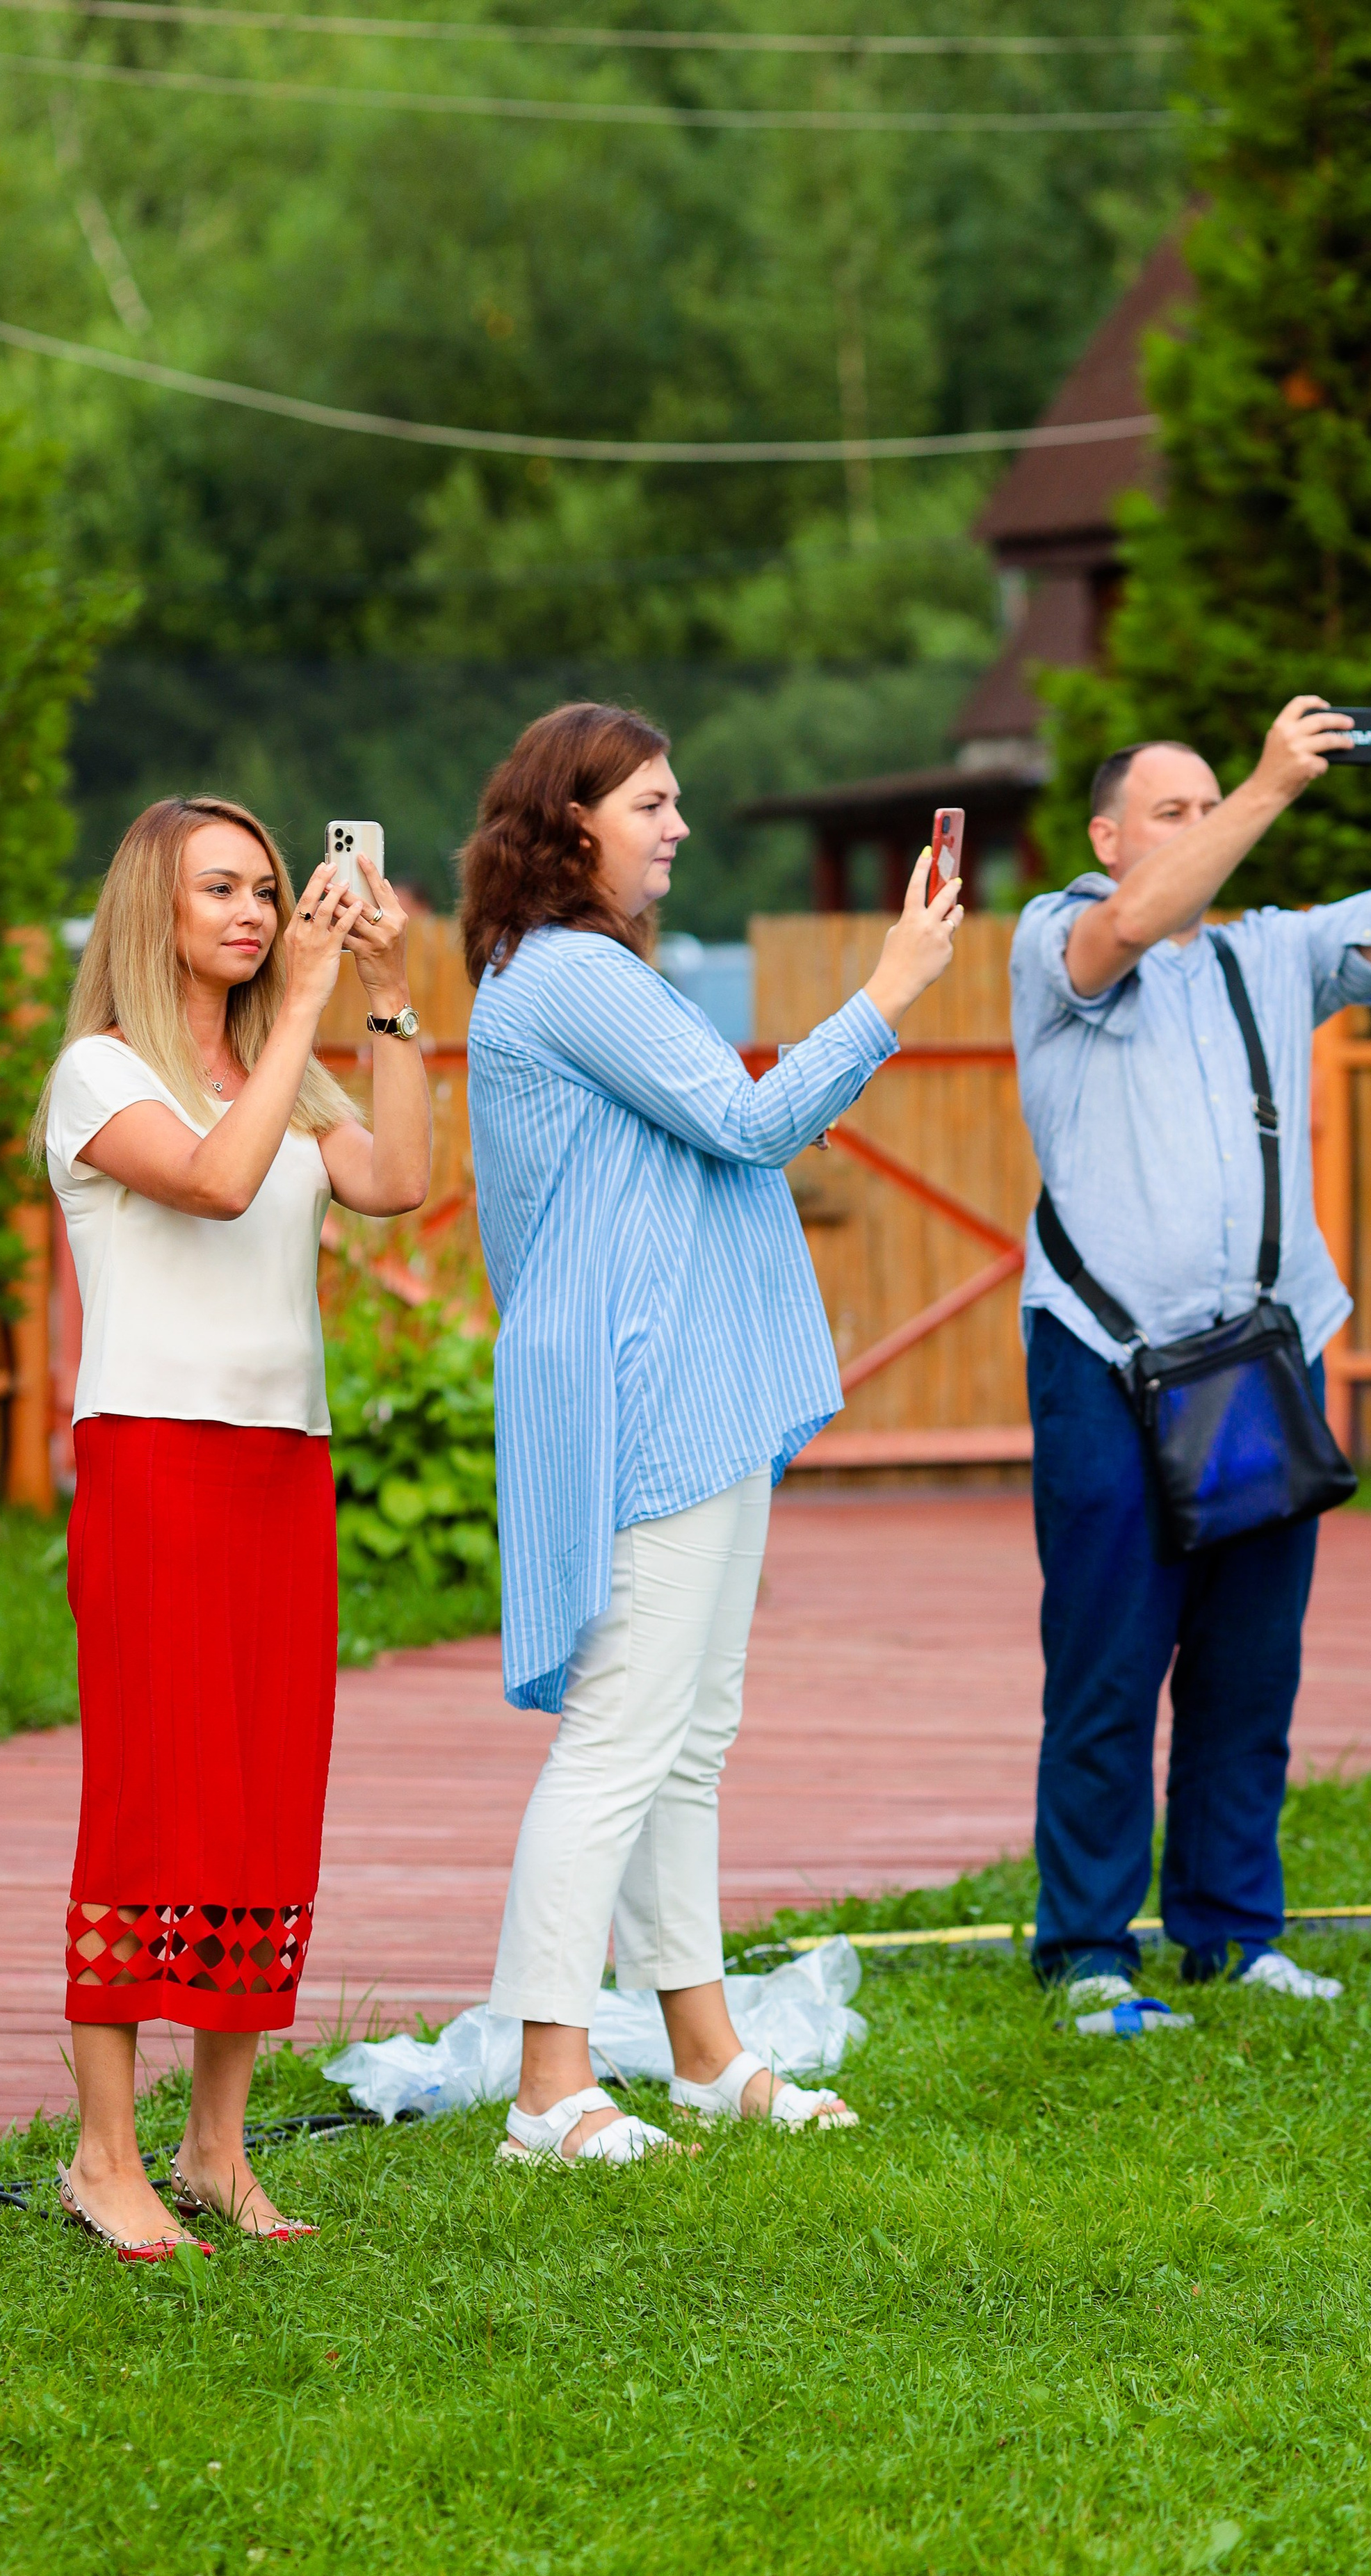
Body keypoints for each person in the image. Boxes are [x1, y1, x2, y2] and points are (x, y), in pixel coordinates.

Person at [462, 703, 962, 2165]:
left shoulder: (597, 971)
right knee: (623, 1734)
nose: (678, 825)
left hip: (696, 1383)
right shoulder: (567, 975)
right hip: (644, 1391)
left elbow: (708, 1133)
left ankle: (704, 2057)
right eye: (652, 803)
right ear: (572, 825)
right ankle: (548, 2090)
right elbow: (747, 1125)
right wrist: (889, 989)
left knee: (686, 1740)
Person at [1012, 698, 1371, 2014]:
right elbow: (1127, 928)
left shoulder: (1271, 949)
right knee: (1107, 1664)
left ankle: (1230, 1935)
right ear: (1107, 836)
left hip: (1263, 1358)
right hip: (1104, 1356)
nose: (1206, 824)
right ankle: (1089, 1953)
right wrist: (1269, 786)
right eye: (1175, 810)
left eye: (1214, 807)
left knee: (1250, 1666)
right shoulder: (1056, 937)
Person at [29, 795, 430, 2257]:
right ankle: (102, 2157)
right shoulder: (99, 1073)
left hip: (281, 1468)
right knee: (155, 1794)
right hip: (155, 1465)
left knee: (264, 1794)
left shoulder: (282, 1076)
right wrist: (304, 1013)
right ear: (155, 908)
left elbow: (397, 1181)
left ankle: (215, 2147)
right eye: (221, 889)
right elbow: (212, 1183)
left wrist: (388, 995)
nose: (258, 912)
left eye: (268, 888)